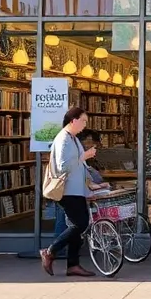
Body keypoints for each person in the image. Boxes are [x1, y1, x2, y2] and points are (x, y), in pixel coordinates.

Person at [39, 107, 96, 278]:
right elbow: (63, 166)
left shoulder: (73, 138)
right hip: (68, 190)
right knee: (81, 224)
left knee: (76, 227)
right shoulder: (63, 139)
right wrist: (83, 156)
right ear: (73, 120)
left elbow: (79, 166)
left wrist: (91, 183)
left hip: (76, 189)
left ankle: (73, 265)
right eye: (83, 121)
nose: (85, 125)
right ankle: (50, 251)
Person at [51, 128, 106, 257]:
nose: (92, 146)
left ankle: (64, 252)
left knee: (71, 221)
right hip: (67, 191)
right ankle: (55, 250)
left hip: (72, 191)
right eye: (89, 142)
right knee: (71, 222)